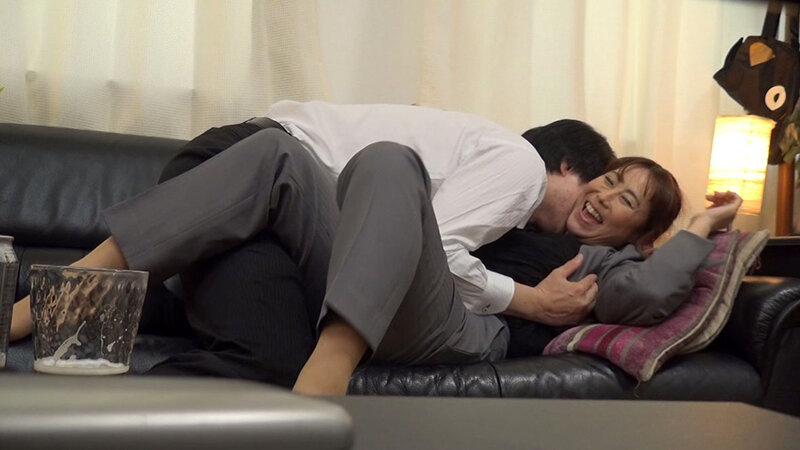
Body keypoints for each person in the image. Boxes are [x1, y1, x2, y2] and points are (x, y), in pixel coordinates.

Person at [10, 101, 614, 390]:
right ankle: (52, 303)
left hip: (280, 189)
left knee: (262, 344)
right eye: (601, 188)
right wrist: (531, 300)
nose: (589, 214)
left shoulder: (590, 247)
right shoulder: (521, 168)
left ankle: (49, 302)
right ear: (566, 164)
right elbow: (436, 250)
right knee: (375, 164)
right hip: (256, 175)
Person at [294, 157, 742, 394]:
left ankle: (327, 373)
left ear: (641, 240)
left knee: (393, 163)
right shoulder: (529, 209)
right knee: (293, 157)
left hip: (464, 323)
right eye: (610, 180)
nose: (606, 196)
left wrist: (702, 223)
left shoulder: (605, 263)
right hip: (409, 289)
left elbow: (650, 290)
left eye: (627, 201)